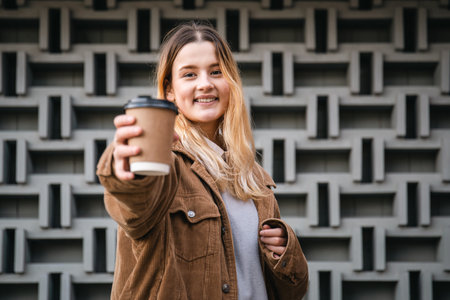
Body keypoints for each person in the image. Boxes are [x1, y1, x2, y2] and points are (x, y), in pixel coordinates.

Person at [97, 21, 308, 300]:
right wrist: (126, 167)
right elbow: (136, 206)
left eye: (216, 71)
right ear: (169, 90)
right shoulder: (164, 164)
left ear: (230, 82)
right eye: (189, 75)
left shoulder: (253, 176)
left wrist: (286, 251)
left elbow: (294, 292)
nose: (205, 83)